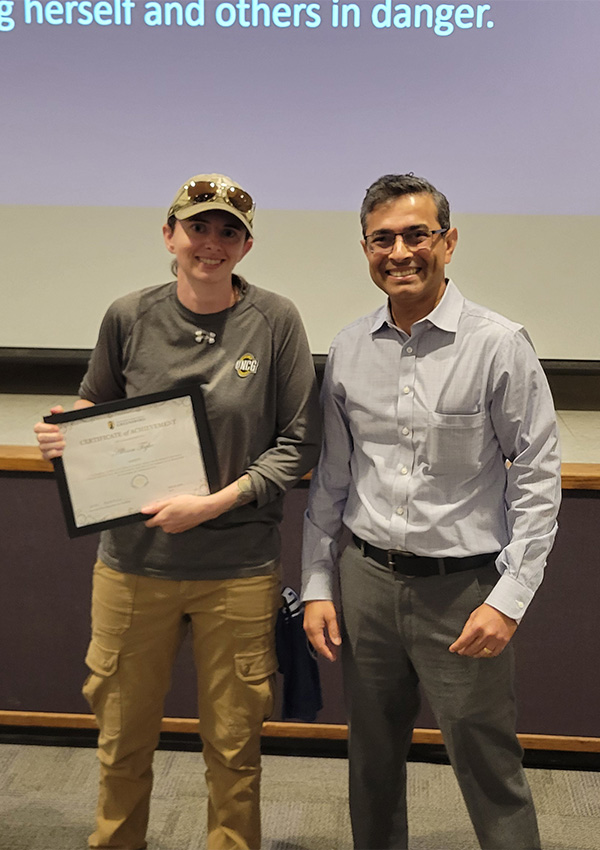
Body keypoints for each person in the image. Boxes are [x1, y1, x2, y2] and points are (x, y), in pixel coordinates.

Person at [34, 173, 321, 850]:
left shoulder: (276, 321)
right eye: (198, 227)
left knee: (234, 748)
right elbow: (96, 402)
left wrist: (215, 503)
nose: (211, 243)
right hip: (135, 567)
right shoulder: (129, 315)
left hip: (238, 568)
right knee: (122, 740)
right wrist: (67, 432)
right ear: (170, 235)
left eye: (229, 231)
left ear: (246, 247)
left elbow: (299, 443)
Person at [302, 173, 561, 850]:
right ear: (366, 249)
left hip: (463, 590)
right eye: (382, 239)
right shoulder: (349, 348)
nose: (400, 252)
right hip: (366, 583)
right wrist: (318, 583)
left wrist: (510, 599)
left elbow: (537, 479)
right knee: (371, 759)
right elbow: (332, 478)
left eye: (416, 235)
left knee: (487, 761)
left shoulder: (499, 345)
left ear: (448, 242)